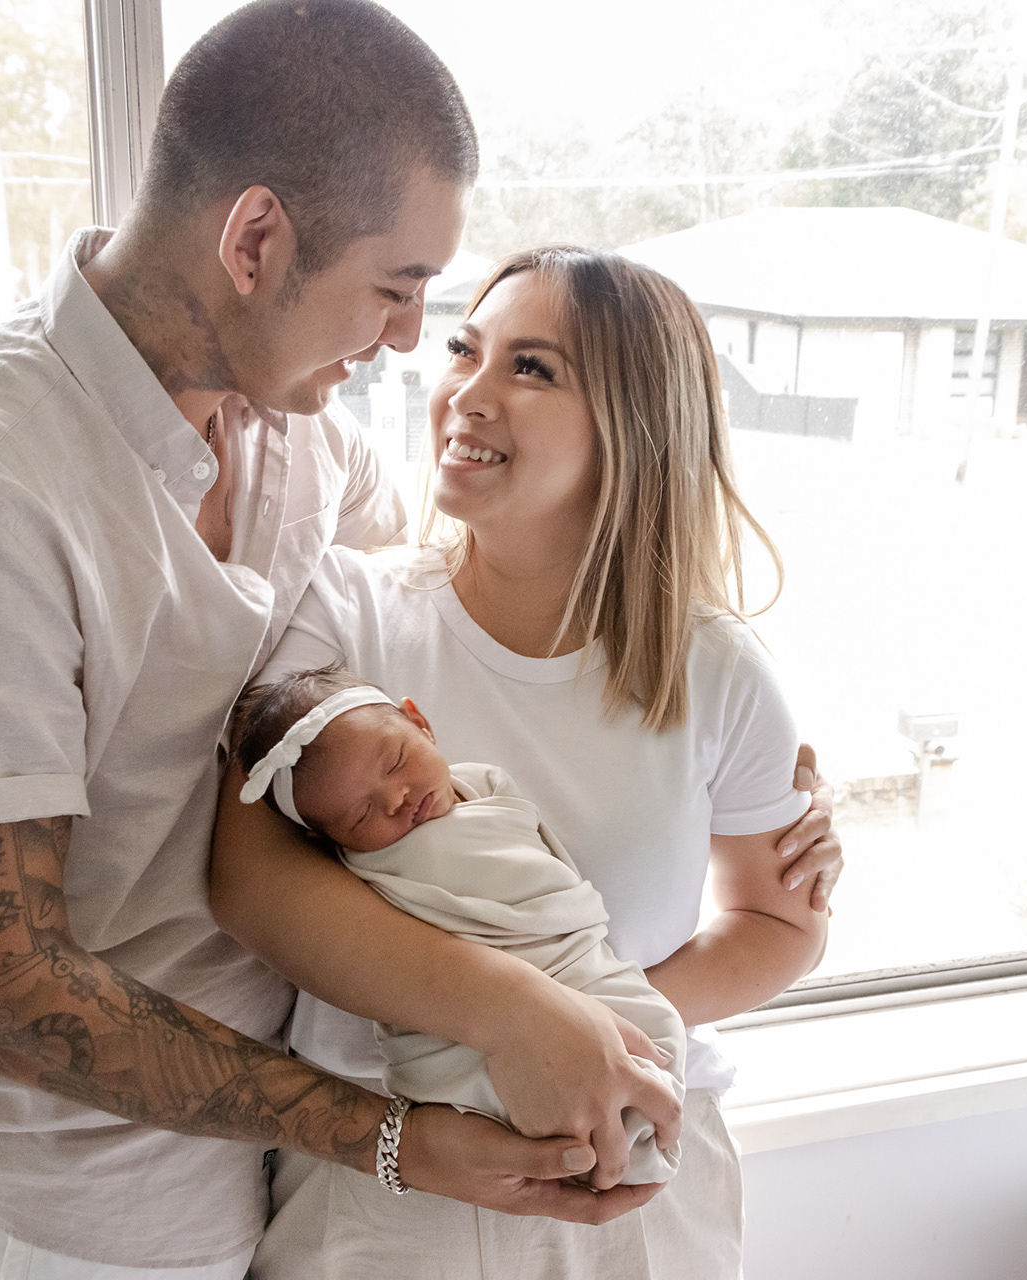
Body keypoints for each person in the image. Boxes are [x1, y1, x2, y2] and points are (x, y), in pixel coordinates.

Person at [0, 4, 822, 1275]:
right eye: (398, 289)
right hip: (60, 1208)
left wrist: (761, 790)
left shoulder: (296, 441)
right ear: (256, 239)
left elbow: (491, 592)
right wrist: (409, 1128)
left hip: (261, 1163)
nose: (410, 342)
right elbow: (8, 994)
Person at [212, 247, 839, 1279]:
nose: (467, 390)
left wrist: (597, 1038)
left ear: (635, 423)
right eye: (465, 350)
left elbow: (779, 923)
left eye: (532, 367)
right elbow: (250, 882)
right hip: (391, 1187)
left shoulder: (715, 667)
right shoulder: (345, 615)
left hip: (638, 1178)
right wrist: (520, 1023)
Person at [226, 664, 688, 1186]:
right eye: (360, 816)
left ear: (420, 723)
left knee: (653, 1028)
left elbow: (552, 882)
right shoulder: (367, 871)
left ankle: (627, 1120)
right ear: (327, 841)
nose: (396, 798)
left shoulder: (486, 786)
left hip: (574, 963)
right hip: (466, 1035)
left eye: (395, 762)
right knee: (559, 1085)